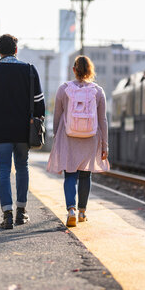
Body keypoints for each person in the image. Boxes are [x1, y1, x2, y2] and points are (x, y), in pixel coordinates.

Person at [0, 34, 45, 229]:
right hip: (23, 131)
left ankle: (7, 215)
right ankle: (22, 212)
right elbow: (39, 102)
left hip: (1, 131)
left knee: (3, 171)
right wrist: (38, 120)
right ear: (16, 50)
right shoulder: (29, 70)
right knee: (22, 167)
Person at [47, 55, 109, 227]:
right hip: (90, 138)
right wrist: (105, 144)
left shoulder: (63, 89)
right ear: (90, 71)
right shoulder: (98, 91)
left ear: (73, 70)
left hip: (69, 137)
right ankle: (82, 212)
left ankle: (71, 210)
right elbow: (103, 120)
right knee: (85, 174)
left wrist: (56, 141)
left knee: (70, 175)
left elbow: (57, 118)